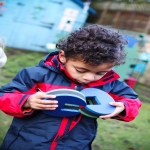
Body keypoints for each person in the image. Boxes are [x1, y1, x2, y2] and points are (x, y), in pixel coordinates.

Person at [0, 24, 142, 150]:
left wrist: (123, 107)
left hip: (76, 144)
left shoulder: (109, 83)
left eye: (100, 72)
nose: (89, 77)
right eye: (81, 70)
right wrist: (27, 101)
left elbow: (132, 101)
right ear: (63, 56)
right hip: (28, 143)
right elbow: (5, 96)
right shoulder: (35, 75)